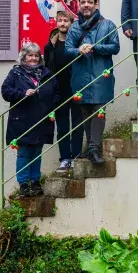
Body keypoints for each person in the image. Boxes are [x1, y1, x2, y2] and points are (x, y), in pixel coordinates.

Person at [65, 0, 120, 165]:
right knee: (85, 111)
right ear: (79, 5)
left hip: (100, 75)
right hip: (80, 76)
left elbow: (115, 47)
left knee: (98, 110)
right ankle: (91, 148)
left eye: (90, 2)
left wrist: (95, 47)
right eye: (83, 2)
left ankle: (94, 148)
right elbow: (67, 49)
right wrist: (78, 50)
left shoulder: (108, 24)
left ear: (96, 4)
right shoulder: (74, 28)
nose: (86, 5)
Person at [2, 43, 58, 197]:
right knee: (24, 153)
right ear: (24, 57)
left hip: (41, 119)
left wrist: (51, 107)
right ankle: (24, 184)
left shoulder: (47, 73)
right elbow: (5, 91)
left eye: (36, 55)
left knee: (36, 153)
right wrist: (23, 93)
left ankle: (35, 182)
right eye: (30, 55)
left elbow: (56, 93)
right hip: (22, 120)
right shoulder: (15, 73)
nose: (33, 58)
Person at [44, 11, 83, 172]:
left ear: (71, 23)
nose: (62, 23)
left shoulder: (76, 44)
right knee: (62, 128)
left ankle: (76, 156)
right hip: (59, 92)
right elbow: (46, 69)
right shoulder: (49, 46)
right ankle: (65, 158)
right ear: (56, 23)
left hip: (76, 90)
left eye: (65, 20)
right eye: (59, 20)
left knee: (77, 125)